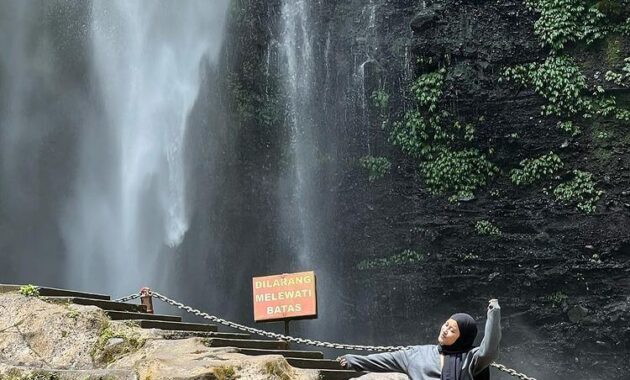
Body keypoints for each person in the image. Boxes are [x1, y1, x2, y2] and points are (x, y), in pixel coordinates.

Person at [336, 299, 501, 380]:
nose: (445, 330)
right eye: (446, 324)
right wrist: (353, 360)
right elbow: (385, 359)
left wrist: (493, 313)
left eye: (452, 330)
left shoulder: (471, 358)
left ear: (463, 337)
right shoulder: (418, 354)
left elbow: (489, 348)